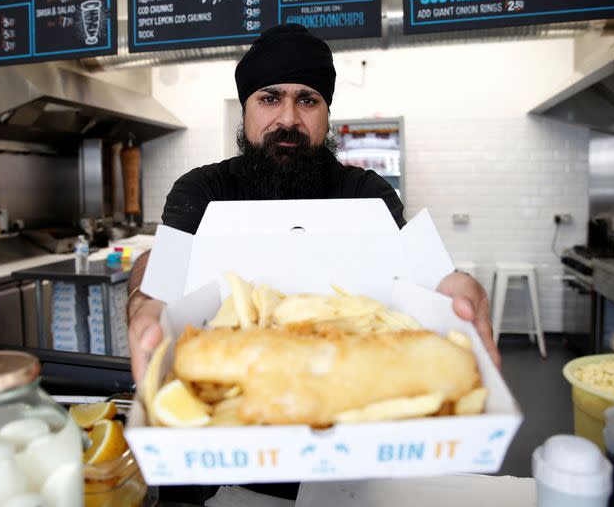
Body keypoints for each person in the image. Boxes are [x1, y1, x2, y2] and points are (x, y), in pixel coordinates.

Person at [127, 23, 501, 384]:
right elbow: (163, 261)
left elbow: (423, 271)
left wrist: (455, 284)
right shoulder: (203, 190)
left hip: (352, 382)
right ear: (245, 110)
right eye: (270, 98)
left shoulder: (367, 193)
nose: (288, 119)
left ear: (327, 113)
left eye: (307, 100)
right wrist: (142, 299)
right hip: (235, 380)